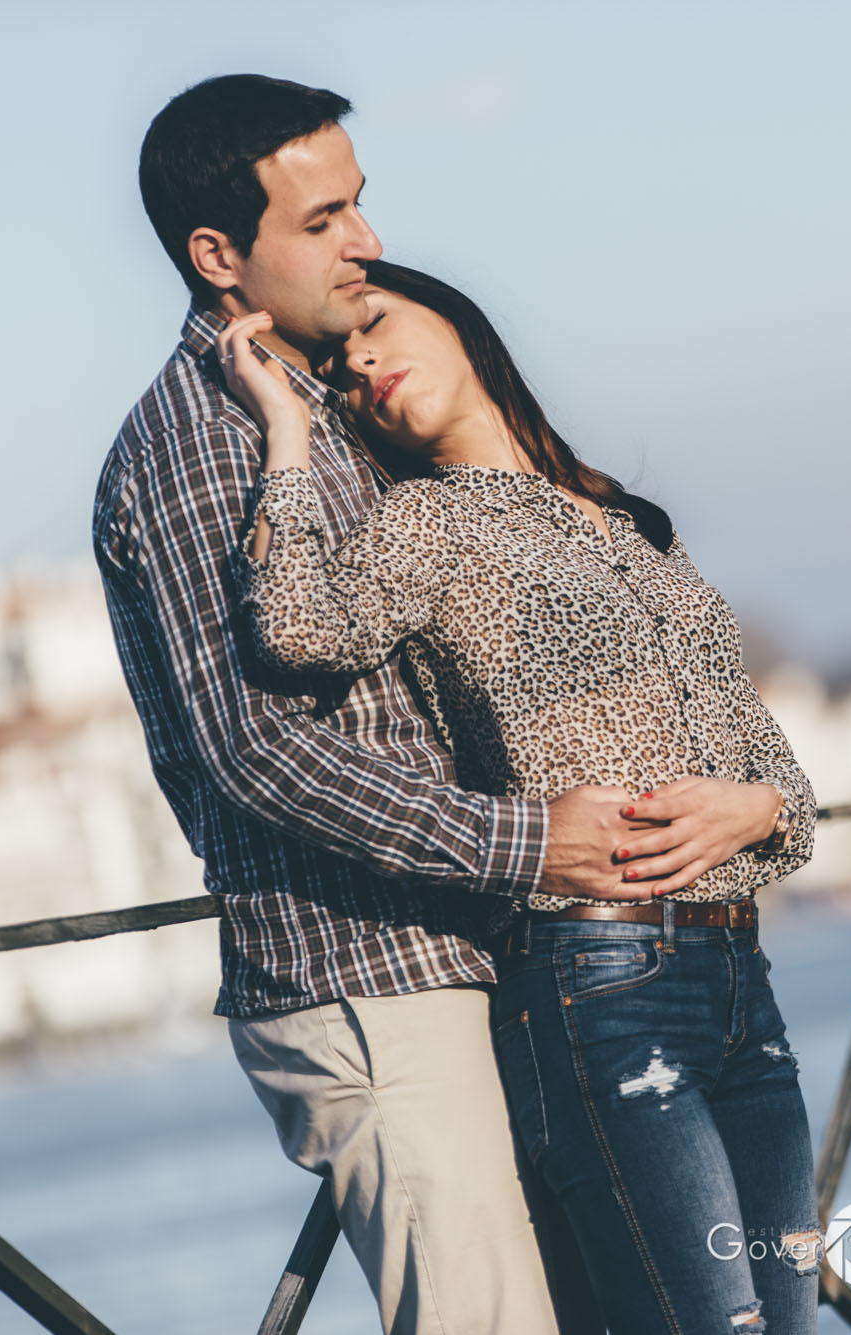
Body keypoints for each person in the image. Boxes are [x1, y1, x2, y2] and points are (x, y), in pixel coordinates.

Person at [93, 73, 625, 1334]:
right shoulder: (200, 440)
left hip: (475, 954)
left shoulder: (335, 402)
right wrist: (534, 840)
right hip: (367, 984)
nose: (367, 242)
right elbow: (255, 744)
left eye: (360, 207)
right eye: (323, 219)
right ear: (217, 254)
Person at [219, 257, 824, 1335]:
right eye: (341, 372)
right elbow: (298, 629)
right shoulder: (425, 525)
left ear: (458, 324)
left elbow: (776, 774)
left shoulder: (634, 522)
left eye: (375, 326)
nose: (359, 364)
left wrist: (760, 812)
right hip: (598, 981)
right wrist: (291, 437)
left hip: (740, 982)